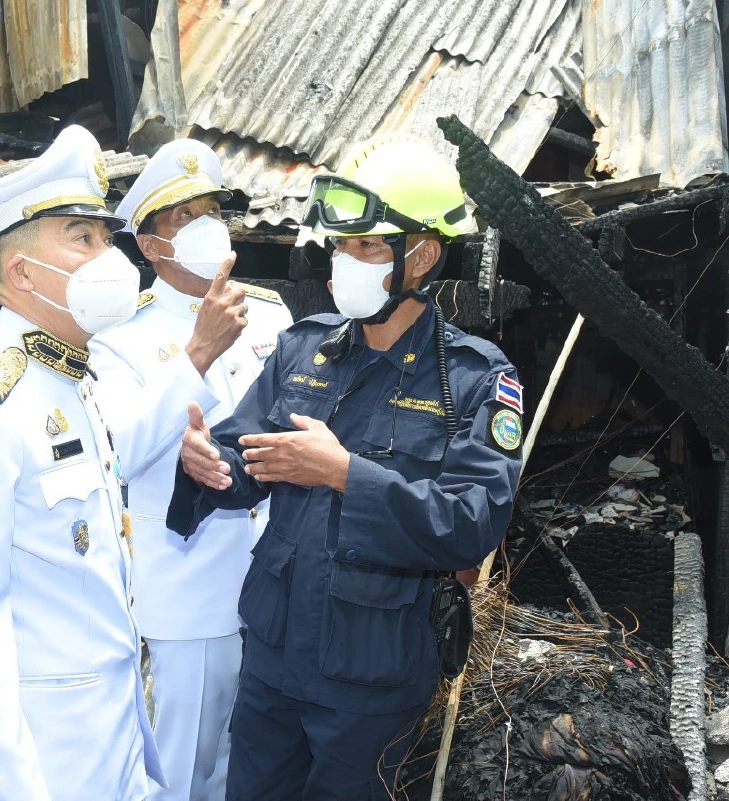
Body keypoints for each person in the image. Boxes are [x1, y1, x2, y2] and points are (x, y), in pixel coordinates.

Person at [166, 135, 525, 799]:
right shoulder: (303, 349)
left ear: (422, 256)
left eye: (366, 246)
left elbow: (471, 524)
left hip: (373, 679)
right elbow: (244, 464)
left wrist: (344, 474)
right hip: (273, 660)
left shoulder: (475, 380)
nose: (345, 261)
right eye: (340, 245)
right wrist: (205, 462)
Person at [0, 125, 211, 801]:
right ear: (21, 273)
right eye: (83, 237)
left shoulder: (76, 381)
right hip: (39, 765)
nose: (109, 256)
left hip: (113, 748)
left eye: (105, 237)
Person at [90, 139, 293, 801]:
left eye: (211, 211)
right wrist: (198, 354)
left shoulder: (270, 314)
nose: (207, 226)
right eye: (184, 216)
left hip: (277, 583)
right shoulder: (118, 339)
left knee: (259, 766)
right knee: (185, 772)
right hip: (191, 590)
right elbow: (118, 453)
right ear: (150, 246)